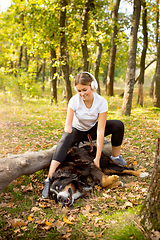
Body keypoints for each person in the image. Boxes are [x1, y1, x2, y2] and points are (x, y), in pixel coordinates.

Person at [42, 72, 126, 198]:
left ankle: (116, 158)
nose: (82, 94)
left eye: (85, 90)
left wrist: (97, 158)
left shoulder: (101, 102)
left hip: (92, 130)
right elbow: (68, 126)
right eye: (79, 90)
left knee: (118, 125)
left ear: (92, 86)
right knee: (65, 138)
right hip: (77, 130)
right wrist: (68, 140)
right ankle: (49, 179)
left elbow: (101, 130)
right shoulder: (74, 101)